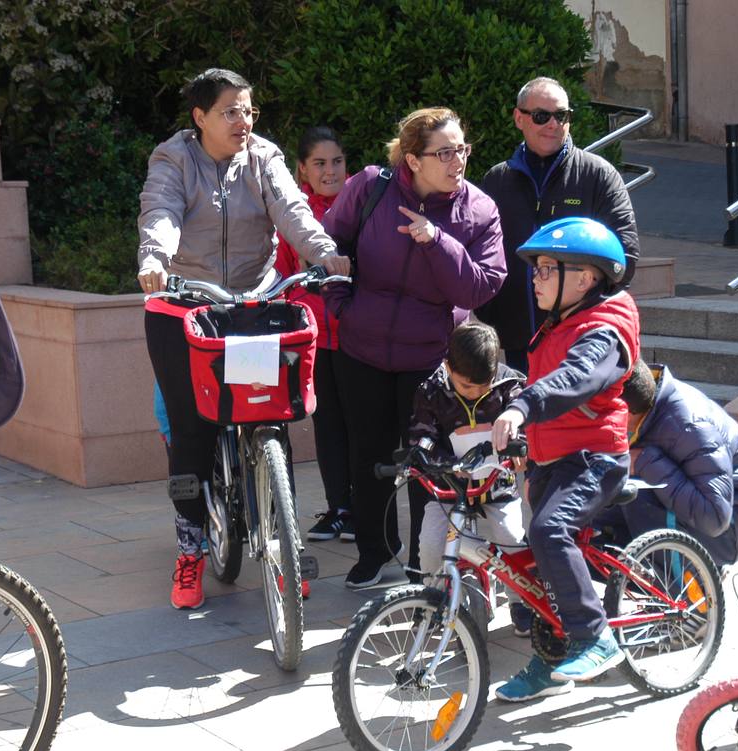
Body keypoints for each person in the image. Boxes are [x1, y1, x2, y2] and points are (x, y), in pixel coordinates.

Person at [137, 68, 349, 610]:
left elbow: (292, 210)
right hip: (184, 308)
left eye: (249, 110)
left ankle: (286, 541)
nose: (243, 121)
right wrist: (156, 259)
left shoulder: (265, 157)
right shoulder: (173, 159)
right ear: (200, 117)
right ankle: (191, 551)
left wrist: (323, 251)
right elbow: (159, 212)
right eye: (231, 111)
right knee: (190, 433)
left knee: (267, 417)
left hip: (252, 307)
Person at [322, 107, 505, 590]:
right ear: (412, 158)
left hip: (430, 355)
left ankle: (427, 564)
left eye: (462, 148)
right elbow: (330, 243)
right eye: (444, 152)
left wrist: (436, 240)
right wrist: (340, 303)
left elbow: (480, 288)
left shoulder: (479, 209)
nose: (457, 160)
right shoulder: (370, 187)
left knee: (429, 462)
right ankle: (375, 554)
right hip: (361, 347)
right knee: (370, 457)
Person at [490, 217, 640, 701]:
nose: (534, 277)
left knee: (548, 531)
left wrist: (522, 407)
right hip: (555, 459)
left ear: (585, 276)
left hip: (595, 457)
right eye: (535, 269)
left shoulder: (603, 330)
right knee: (538, 555)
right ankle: (552, 654)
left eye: (546, 268)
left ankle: (595, 636)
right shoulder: (563, 321)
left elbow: (574, 380)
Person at [479, 76, 638, 374]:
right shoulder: (497, 180)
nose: (553, 124)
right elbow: (481, 251)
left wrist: (585, 314)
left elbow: (624, 257)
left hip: (580, 339)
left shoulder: (598, 176)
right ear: (519, 118)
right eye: (542, 116)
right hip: (518, 340)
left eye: (562, 115)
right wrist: (492, 312)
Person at [603, 360, 738, 568]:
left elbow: (715, 517)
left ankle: (685, 590)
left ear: (624, 411)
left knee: (636, 493)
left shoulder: (692, 427)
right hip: (706, 510)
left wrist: (645, 462)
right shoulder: (649, 403)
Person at [273, 125, 355, 543]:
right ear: (302, 169)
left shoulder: (360, 204)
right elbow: (284, 275)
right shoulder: (293, 214)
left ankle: (364, 510)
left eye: (337, 161)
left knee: (361, 425)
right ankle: (339, 507)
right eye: (320, 163)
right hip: (314, 337)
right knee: (327, 424)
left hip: (359, 335)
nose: (330, 171)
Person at [408, 323, 526, 582]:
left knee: (513, 540)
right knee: (430, 546)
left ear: (495, 369)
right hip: (449, 488)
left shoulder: (509, 385)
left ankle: (522, 606)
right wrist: (449, 465)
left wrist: (520, 439)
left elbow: (527, 414)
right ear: (448, 367)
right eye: (466, 386)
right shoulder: (431, 392)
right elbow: (421, 440)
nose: (475, 393)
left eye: (484, 386)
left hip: (498, 487)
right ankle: (430, 597)